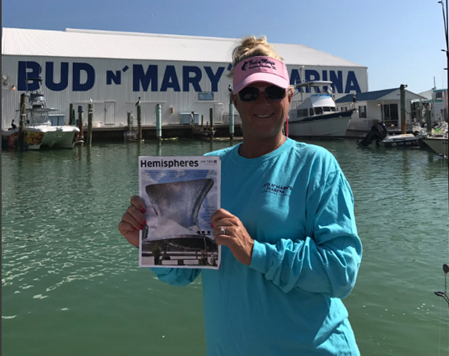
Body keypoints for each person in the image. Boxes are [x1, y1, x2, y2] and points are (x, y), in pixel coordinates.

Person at [119, 36, 363, 355]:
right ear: (235, 101)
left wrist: (255, 251)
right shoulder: (207, 168)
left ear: (288, 96)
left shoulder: (317, 164)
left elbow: (341, 273)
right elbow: (182, 273)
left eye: (273, 92)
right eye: (250, 93)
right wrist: (148, 240)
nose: (262, 103)